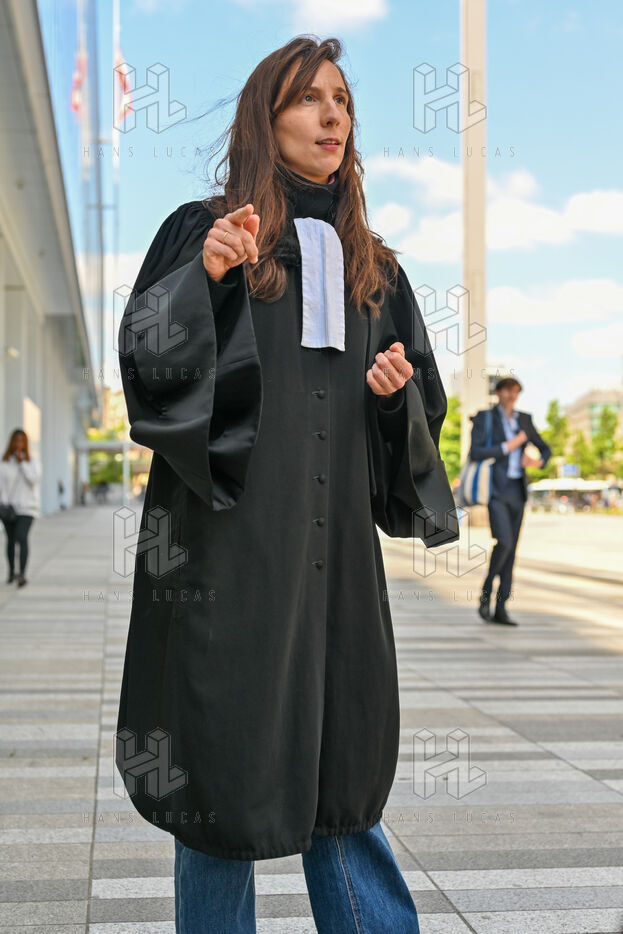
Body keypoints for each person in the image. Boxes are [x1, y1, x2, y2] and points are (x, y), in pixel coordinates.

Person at [116, 36, 458, 934]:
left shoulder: (374, 269)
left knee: (342, 775)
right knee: (218, 779)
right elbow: (148, 371)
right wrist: (207, 280)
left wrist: (393, 401)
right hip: (225, 557)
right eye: (308, 98)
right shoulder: (205, 231)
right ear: (264, 121)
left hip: (334, 562)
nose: (331, 114)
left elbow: (418, 426)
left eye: (342, 99)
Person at [469, 377, 551, 626]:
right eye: (507, 391)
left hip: (518, 492)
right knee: (503, 542)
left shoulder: (524, 419)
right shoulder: (485, 417)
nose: (512, 395)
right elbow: (475, 452)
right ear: (498, 392)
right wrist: (509, 446)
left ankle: (501, 608)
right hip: (496, 491)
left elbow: (545, 448)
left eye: (516, 391)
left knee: (512, 550)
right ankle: (486, 593)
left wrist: (537, 461)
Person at [0, 429, 42, 588]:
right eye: (16, 441)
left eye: (21, 441)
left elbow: (34, 479)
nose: (18, 444)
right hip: (8, 509)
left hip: (27, 508)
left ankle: (22, 573)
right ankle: (11, 572)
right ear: (11, 442)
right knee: (10, 540)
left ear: (25, 443)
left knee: (21, 537)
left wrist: (22, 463)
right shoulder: (4, 462)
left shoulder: (33, 461)